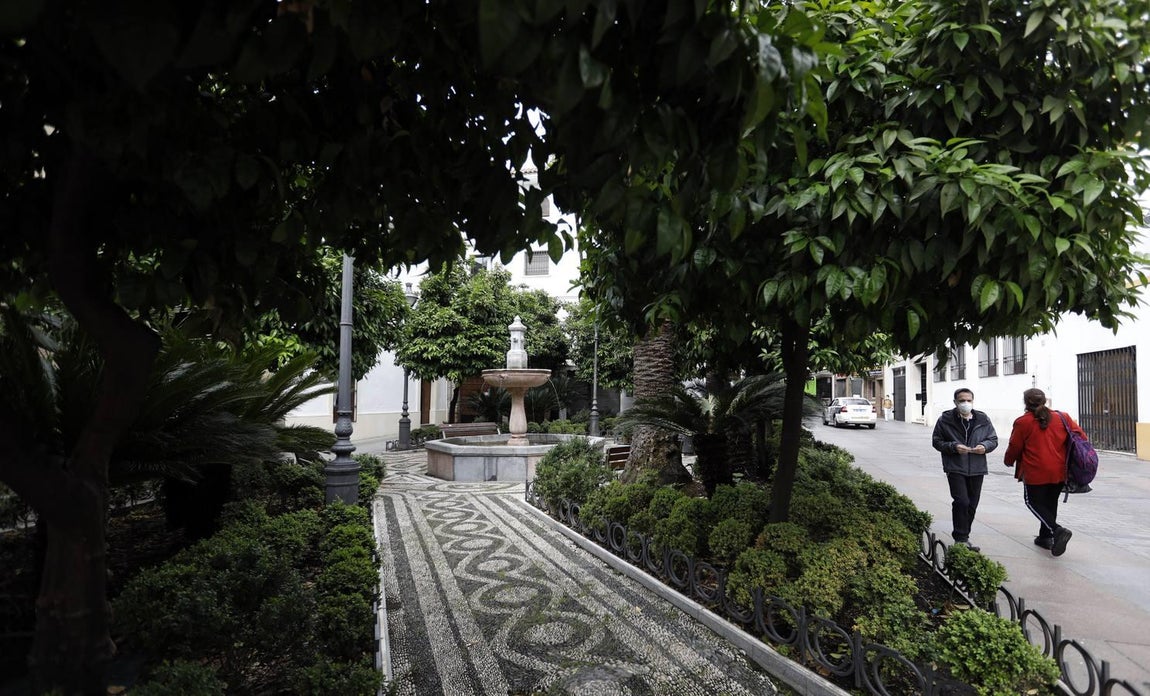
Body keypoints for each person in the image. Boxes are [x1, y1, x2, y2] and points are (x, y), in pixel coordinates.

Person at [1002, 388, 1078, 557]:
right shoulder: (1063, 417)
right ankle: (1045, 537)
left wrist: (1008, 460)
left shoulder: (1023, 422)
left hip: (1035, 471)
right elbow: (1080, 437)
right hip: (1059, 470)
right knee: (1050, 503)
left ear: (1025, 402)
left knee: (1032, 502)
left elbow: (1015, 446)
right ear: (1045, 401)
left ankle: (1057, 530)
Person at [932, 388, 998, 551]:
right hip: (955, 466)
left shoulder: (982, 419)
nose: (965, 403)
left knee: (972, 504)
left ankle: (964, 536)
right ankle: (960, 538)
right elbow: (937, 441)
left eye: (969, 400)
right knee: (961, 501)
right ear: (955, 402)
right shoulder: (945, 419)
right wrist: (954, 446)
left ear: (973, 401)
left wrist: (984, 446)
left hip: (977, 467)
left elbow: (993, 439)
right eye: (962, 401)